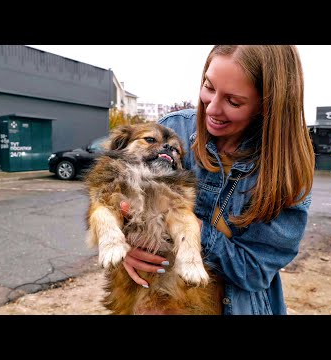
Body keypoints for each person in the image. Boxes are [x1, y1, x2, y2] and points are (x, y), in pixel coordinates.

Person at [117, 45, 314, 315]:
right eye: (208, 87)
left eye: (234, 102)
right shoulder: (172, 131)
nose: (212, 108)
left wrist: (194, 230)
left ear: (268, 106)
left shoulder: (286, 171)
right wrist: (124, 245)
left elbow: (255, 271)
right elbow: (118, 198)